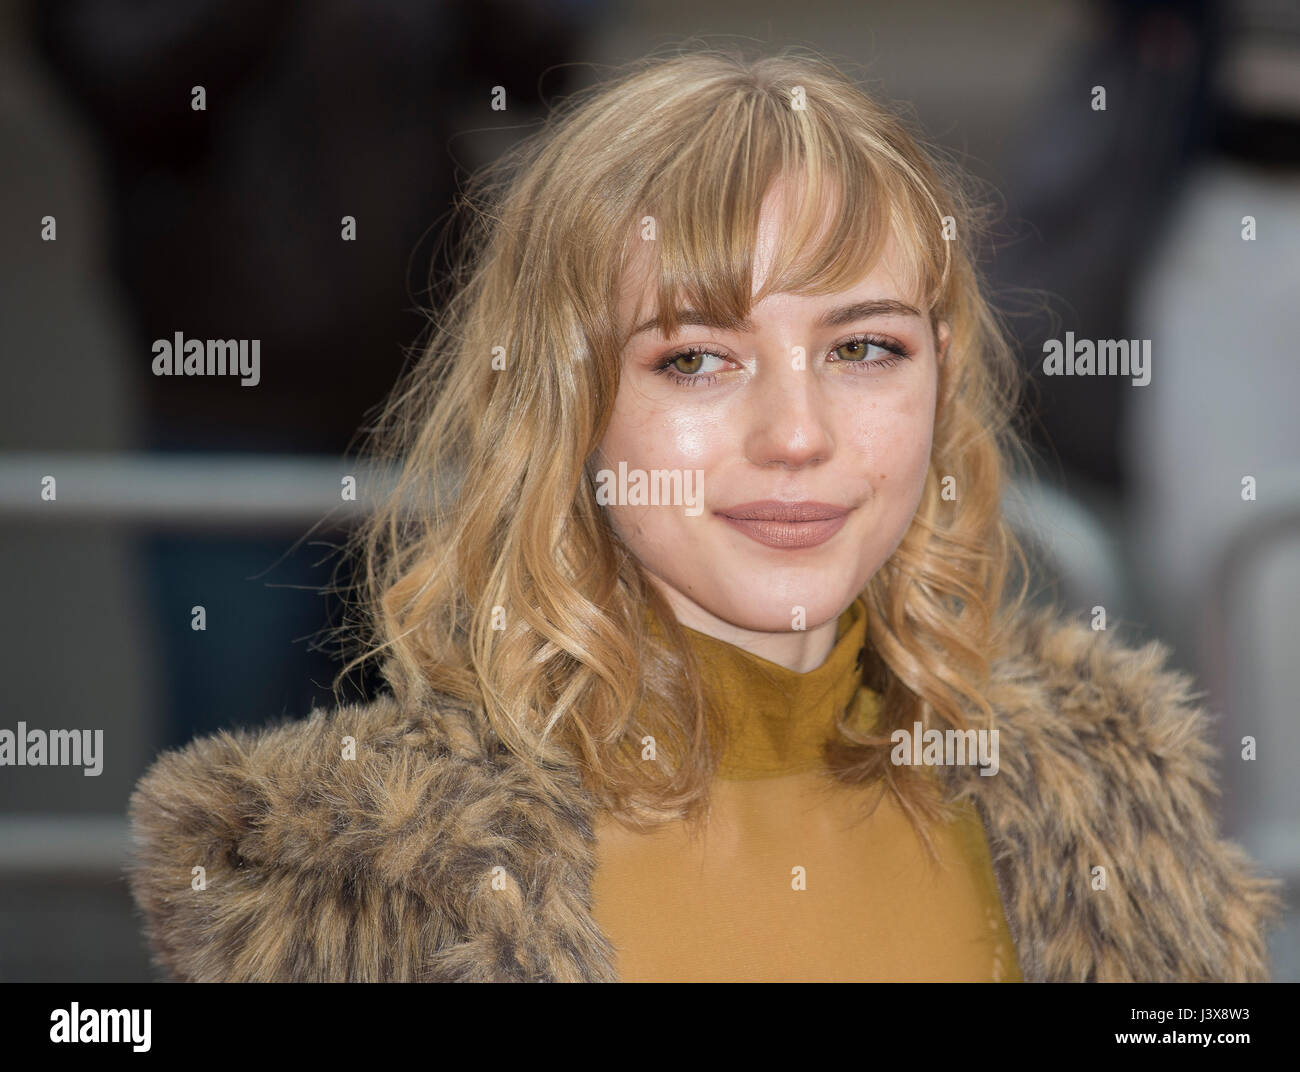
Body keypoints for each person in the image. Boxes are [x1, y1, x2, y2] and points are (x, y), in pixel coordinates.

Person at [125, 47, 1280, 982]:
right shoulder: (339, 885)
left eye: (865, 347)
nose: (795, 432)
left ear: (943, 383)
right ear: (562, 406)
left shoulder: (1114, 806)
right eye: (696, 360)